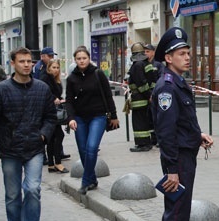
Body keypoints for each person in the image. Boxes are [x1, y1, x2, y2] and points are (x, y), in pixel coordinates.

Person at [151, 27, 213, 221]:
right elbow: (165, 133)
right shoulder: (167, 87)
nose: (187, 57)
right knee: (175, 218)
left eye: (188, 53)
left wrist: (198, 135)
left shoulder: (177, 82)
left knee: (179, 216)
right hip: (179, 162)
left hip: (186, 155)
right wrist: (172, 170)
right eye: (181, 53)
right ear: (168, 57)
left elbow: (180, 123)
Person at [0, 47, 56, 221]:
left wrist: (43, 134)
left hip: (34, 148)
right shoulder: (1, 90)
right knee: (13, 195)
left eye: (29, 62)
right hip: (10, 149)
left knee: (32, 189)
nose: (26, 65)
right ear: (12, 63)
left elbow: (51, 117)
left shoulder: (41, 89)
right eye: (22, 61)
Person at [65, 46, 120, 195]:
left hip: (98, 116)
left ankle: (85, 181)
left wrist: (114, 116)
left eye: (84, 58)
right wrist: (70, 119)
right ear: (75, 60)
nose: (82, 61)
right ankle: (92, 179)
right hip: (79, 118)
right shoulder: (71, 78)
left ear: (89, 59)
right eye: (79, 58)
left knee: (91, 148)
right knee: (83, 150)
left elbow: (108, 95)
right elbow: (68, 101)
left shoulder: (98, 73)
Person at [40, 60, 69, 174]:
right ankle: (57, 162)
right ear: (48, 68)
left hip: (53, 111)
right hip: (48, 112)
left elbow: (57, 93)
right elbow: (44, 92)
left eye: (57, 67)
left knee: (52, 138)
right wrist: (53, 98)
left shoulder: (55, 80)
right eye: (53, 67)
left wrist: (60, 99)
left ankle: (51, 164)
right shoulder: (45, 78)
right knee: (59, 135)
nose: (56, 70)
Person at [127, 42, 154, 152]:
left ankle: (143, 144)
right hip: (144, 98)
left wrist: (148, 95)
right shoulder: (145, 63)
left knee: (139, 123)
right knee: (144, 121)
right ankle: (146, 142)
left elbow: (141, 83)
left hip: (140, 99)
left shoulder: (138, 65)